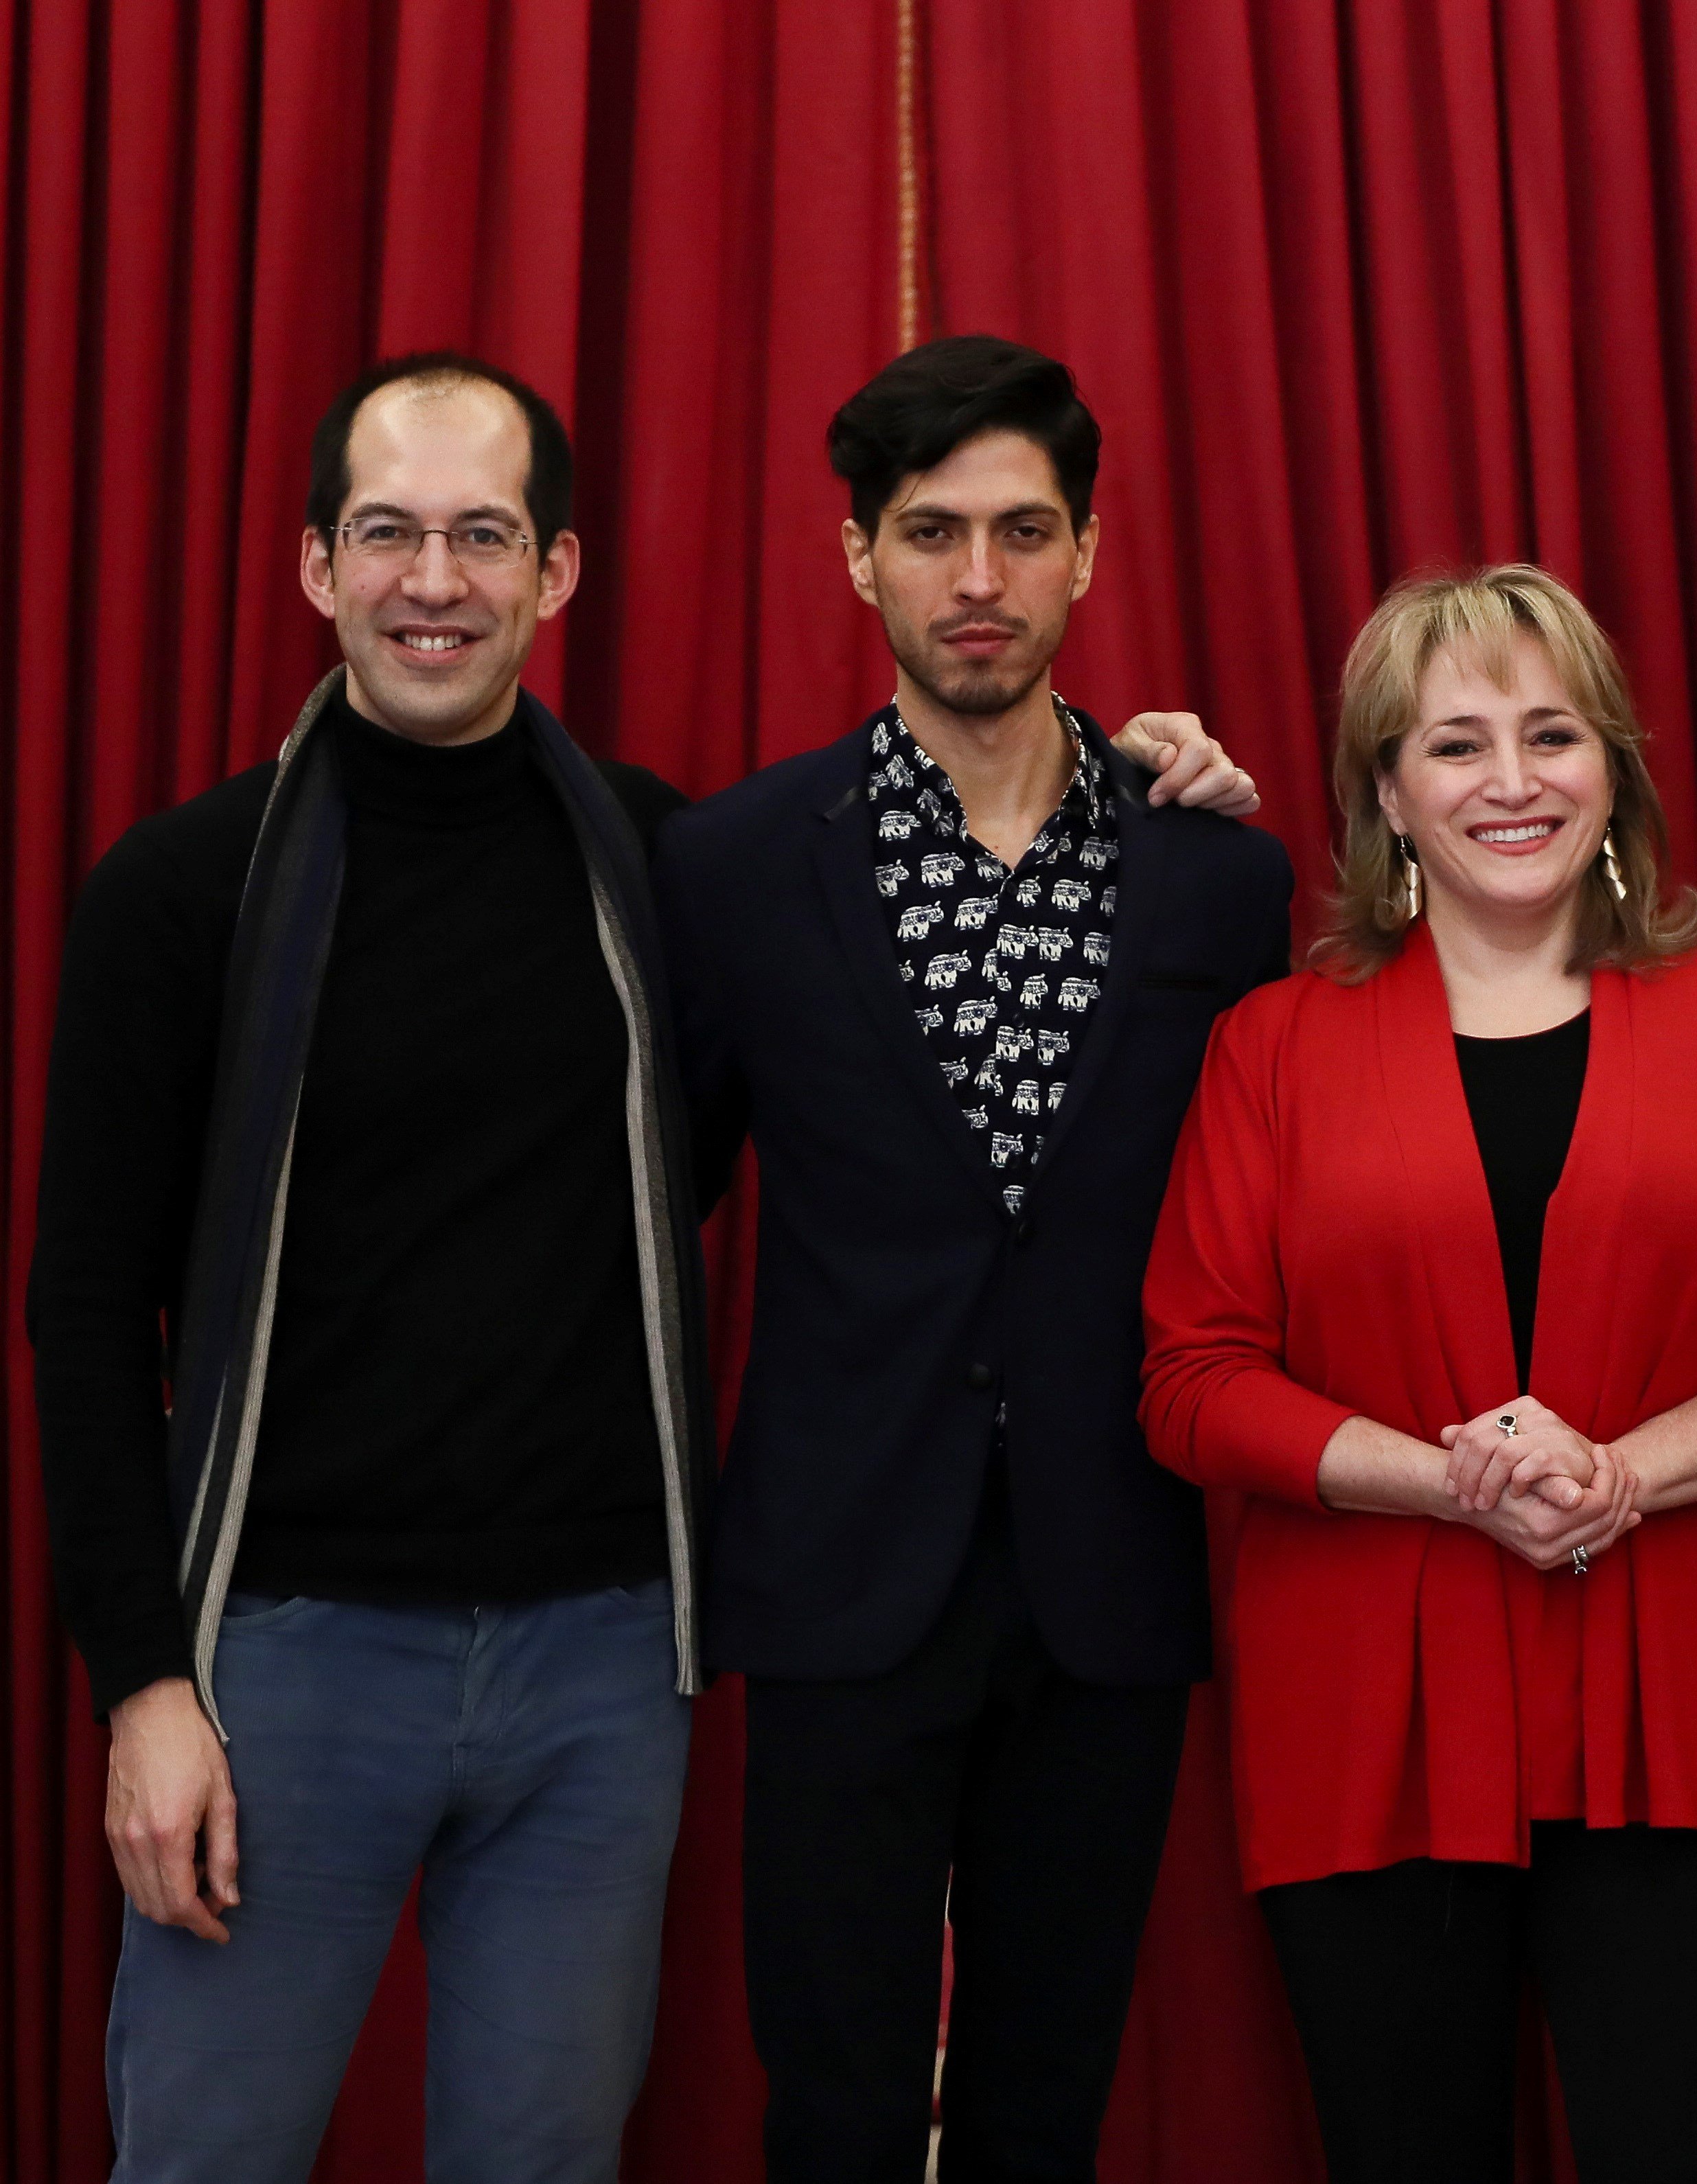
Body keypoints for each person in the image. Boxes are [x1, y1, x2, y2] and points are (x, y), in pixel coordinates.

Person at [21, 354, 710, 2183]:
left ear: (555, 573)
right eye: (389, 532)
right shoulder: (179, 888)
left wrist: (1128, 776)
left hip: (602, 1663)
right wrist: (143, 1683)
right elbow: (85, 1302)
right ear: (317, 565)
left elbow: (908, 895)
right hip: (278, 1662)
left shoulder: (661, 863)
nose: (435, 580)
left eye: (483, 535)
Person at [1140, 564, 1697, 2184]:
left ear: (1613, 769)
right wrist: (1452, 1479)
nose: (1510, 782)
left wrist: (1629, 1470)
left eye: (1552, 735)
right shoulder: (1270, 1046)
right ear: (1384, 795)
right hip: (1364, 1721)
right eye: (1454, 744)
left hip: (1677, 1701)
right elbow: (1195, 1377)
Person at [649, 333, 1280, 2181]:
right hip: (842, 1565)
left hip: (1109, 1570)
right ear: (859, 556)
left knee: (1045, 2097)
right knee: (832, 2103)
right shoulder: (741, 863)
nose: (979, 579)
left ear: (1087, 551)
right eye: (932, 532)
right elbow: (660, 1187)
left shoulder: (1217, 878)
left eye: (1022, 530)